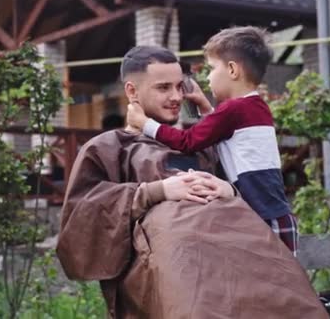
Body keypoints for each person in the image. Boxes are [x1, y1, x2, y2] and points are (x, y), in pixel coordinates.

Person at [57, 45, 327, 318]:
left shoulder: (204, 145)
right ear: (131, 91)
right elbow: (81, 217)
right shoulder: (110, 148)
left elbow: (258, 188)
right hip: (179, 270)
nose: (176, 97)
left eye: (179, 86)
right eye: (163, 88)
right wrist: (156, 191)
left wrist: (231, 189)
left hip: (242, 256)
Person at [127, 27, 298, 252]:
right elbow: (225, 133)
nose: (207, 77)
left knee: (271, 283)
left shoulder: (233, 110)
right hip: (277, 214)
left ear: (232, 70)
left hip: (262, 217)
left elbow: (187, 141)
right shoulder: (255, 106)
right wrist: (205, 107)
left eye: (211, 68)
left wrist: (144, 124)